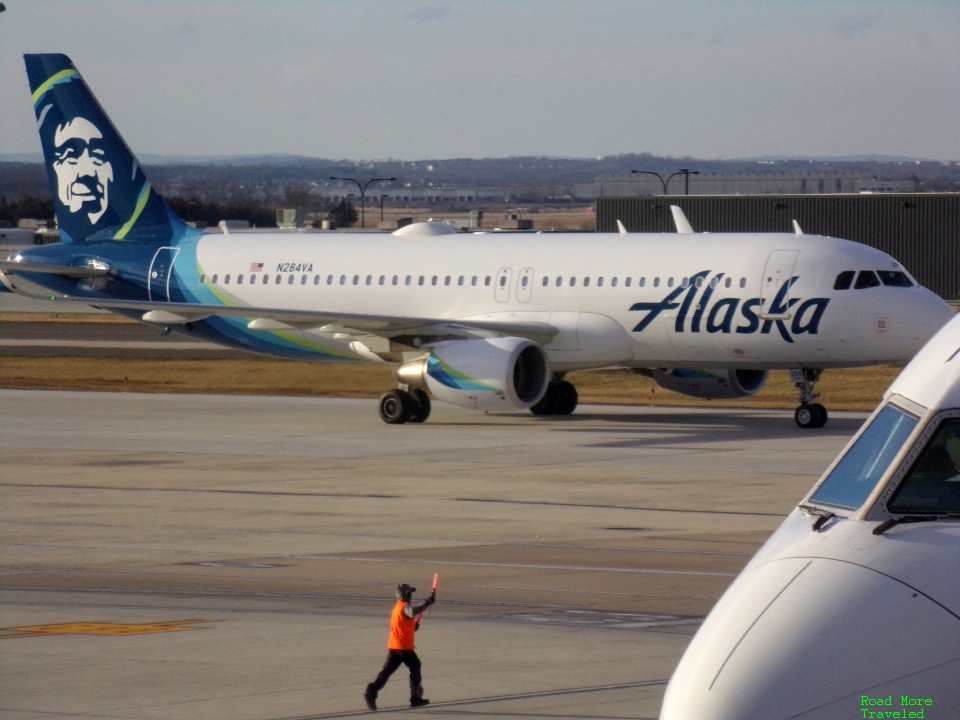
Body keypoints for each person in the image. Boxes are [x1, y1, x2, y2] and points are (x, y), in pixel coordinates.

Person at [364, 583, 436, 710]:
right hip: (404, 647)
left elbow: (403, 624)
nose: (411, 596)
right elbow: (412, 612)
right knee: (415, 666)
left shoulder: (398, 607)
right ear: (406, 594)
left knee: (387, 671)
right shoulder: (404, 607)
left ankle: (372, 692)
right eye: (410, 593)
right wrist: (427, 603)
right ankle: (415, 697)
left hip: (395, 646)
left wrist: (413, 627)